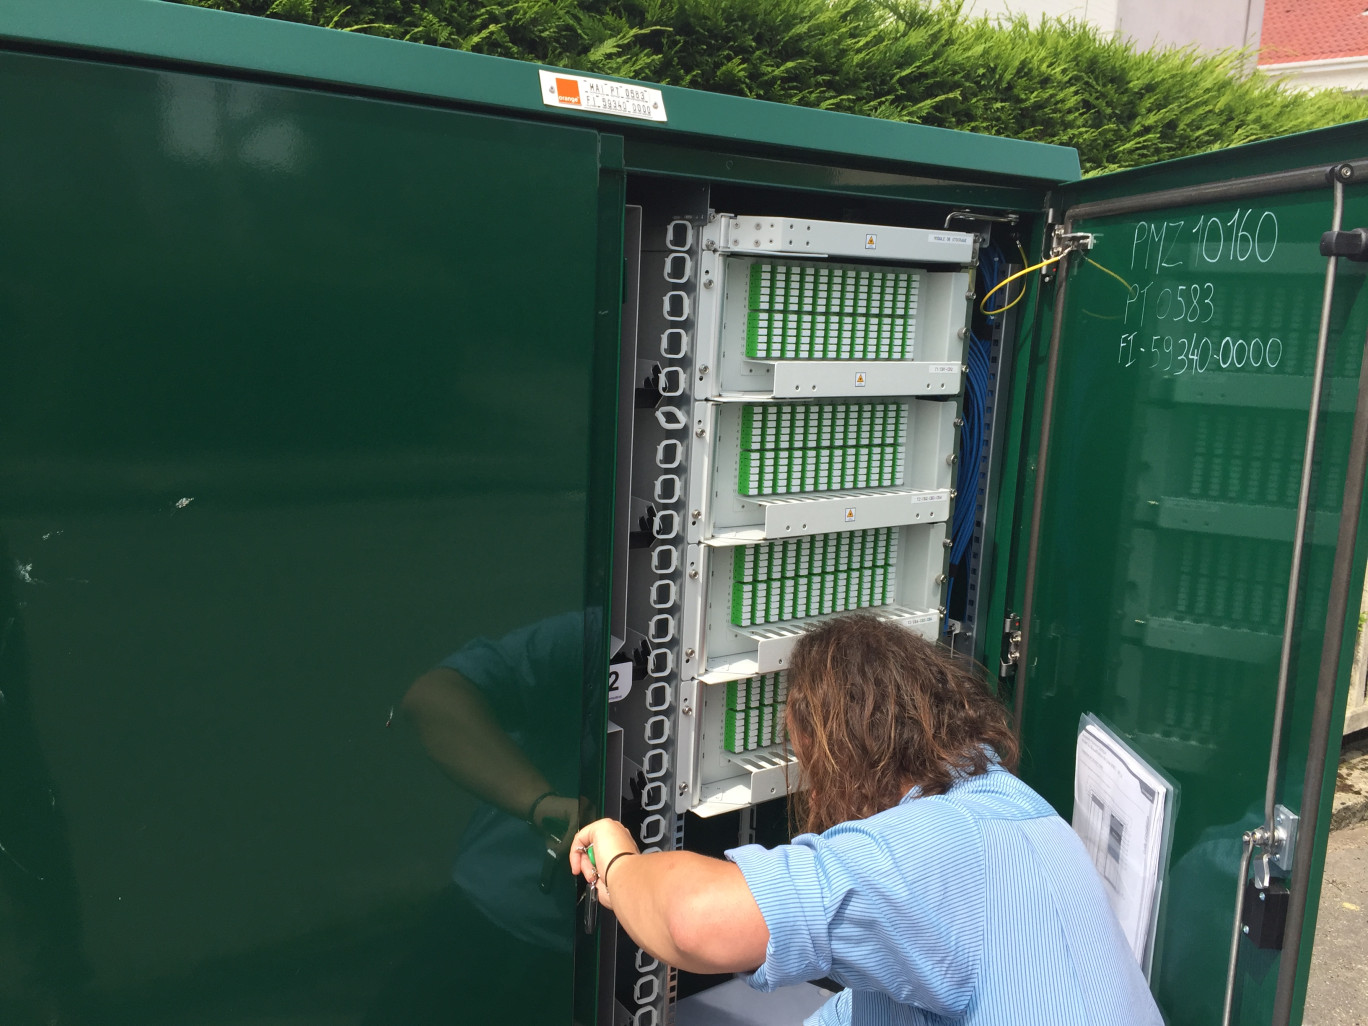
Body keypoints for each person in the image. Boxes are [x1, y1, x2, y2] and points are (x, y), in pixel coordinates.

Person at [570, 614, 1165, 1025]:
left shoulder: (933, 847)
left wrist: (621, 863)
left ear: (840, 752)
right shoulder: (1012, 808)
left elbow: (690, 921)